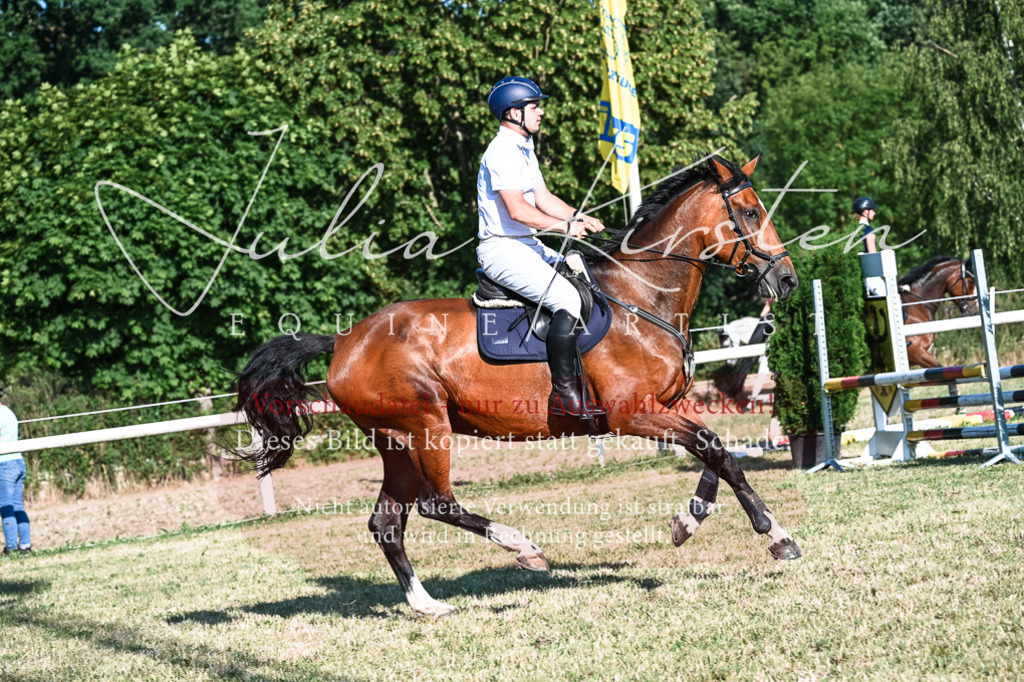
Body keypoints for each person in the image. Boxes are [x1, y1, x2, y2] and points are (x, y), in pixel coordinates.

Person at [477, 76, 606, 417]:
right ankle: (563, 396)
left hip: (525, 245)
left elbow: (544, 198)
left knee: (586, 276)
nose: (541, 112)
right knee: (567, 298)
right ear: (513, 113)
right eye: (534, 107)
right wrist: (565, 227)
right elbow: (518, 210)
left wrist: (581, 217)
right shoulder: (502, 151)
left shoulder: (523, 147)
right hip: (502, 249)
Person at [0, 386, 30, 555]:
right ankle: (25, 545)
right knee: (17, 505)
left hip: (4, 464)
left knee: (5, 507)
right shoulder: (8, 412)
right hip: (18, 461)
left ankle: (11, 547)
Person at [853, 196, 885, 297]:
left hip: (854, 273)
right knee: (890, 297)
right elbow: (873, 256)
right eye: (872, 210)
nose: (874, 213)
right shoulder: (869, 231)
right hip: (868, 276)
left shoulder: (850, 231)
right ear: (866, 212)